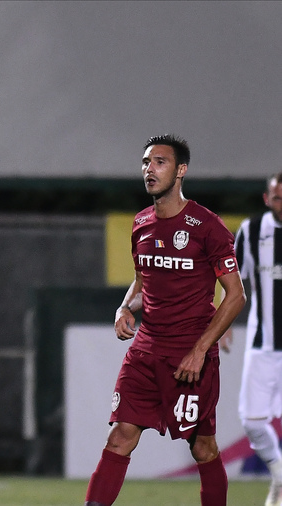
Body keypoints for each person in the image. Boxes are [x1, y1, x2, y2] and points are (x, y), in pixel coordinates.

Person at [84, 134, 245, 506]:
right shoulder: (141, 224)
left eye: (160, 162)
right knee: (120, 436)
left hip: (190, 354)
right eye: (145, 162)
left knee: (202, 447)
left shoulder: (207, 226)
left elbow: (236, 296)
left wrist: (200, 351)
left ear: (181, 170)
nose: (149, 170)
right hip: (145, 350)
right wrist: (124, 307)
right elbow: (143, 281)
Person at [224, 172, 282, 506]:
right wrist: (224, 320)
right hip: (264, 346)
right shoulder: (252, 232)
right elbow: (233, 279)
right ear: (266, 199)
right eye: (277, 198)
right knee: (252, 421)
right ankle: (278, 474)